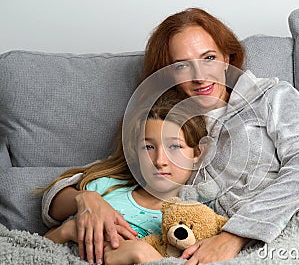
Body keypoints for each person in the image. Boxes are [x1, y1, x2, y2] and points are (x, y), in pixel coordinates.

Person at [42, 7, 299, 264]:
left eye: (209, 58)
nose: (200, 76)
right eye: (182, 65)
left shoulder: (272, 97)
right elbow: (104, 172)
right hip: (216, 247)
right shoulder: (169, 123)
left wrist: (236, 234)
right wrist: (87, 199)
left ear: (228, 57)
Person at [42, 89, 207, 264]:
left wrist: (144, 254)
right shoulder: (105, 187)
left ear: (197, 154)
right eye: (148, 147)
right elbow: (39, 245)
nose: (160, 161)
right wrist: (68, 229)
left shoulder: (199, 215)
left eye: (174, 147)